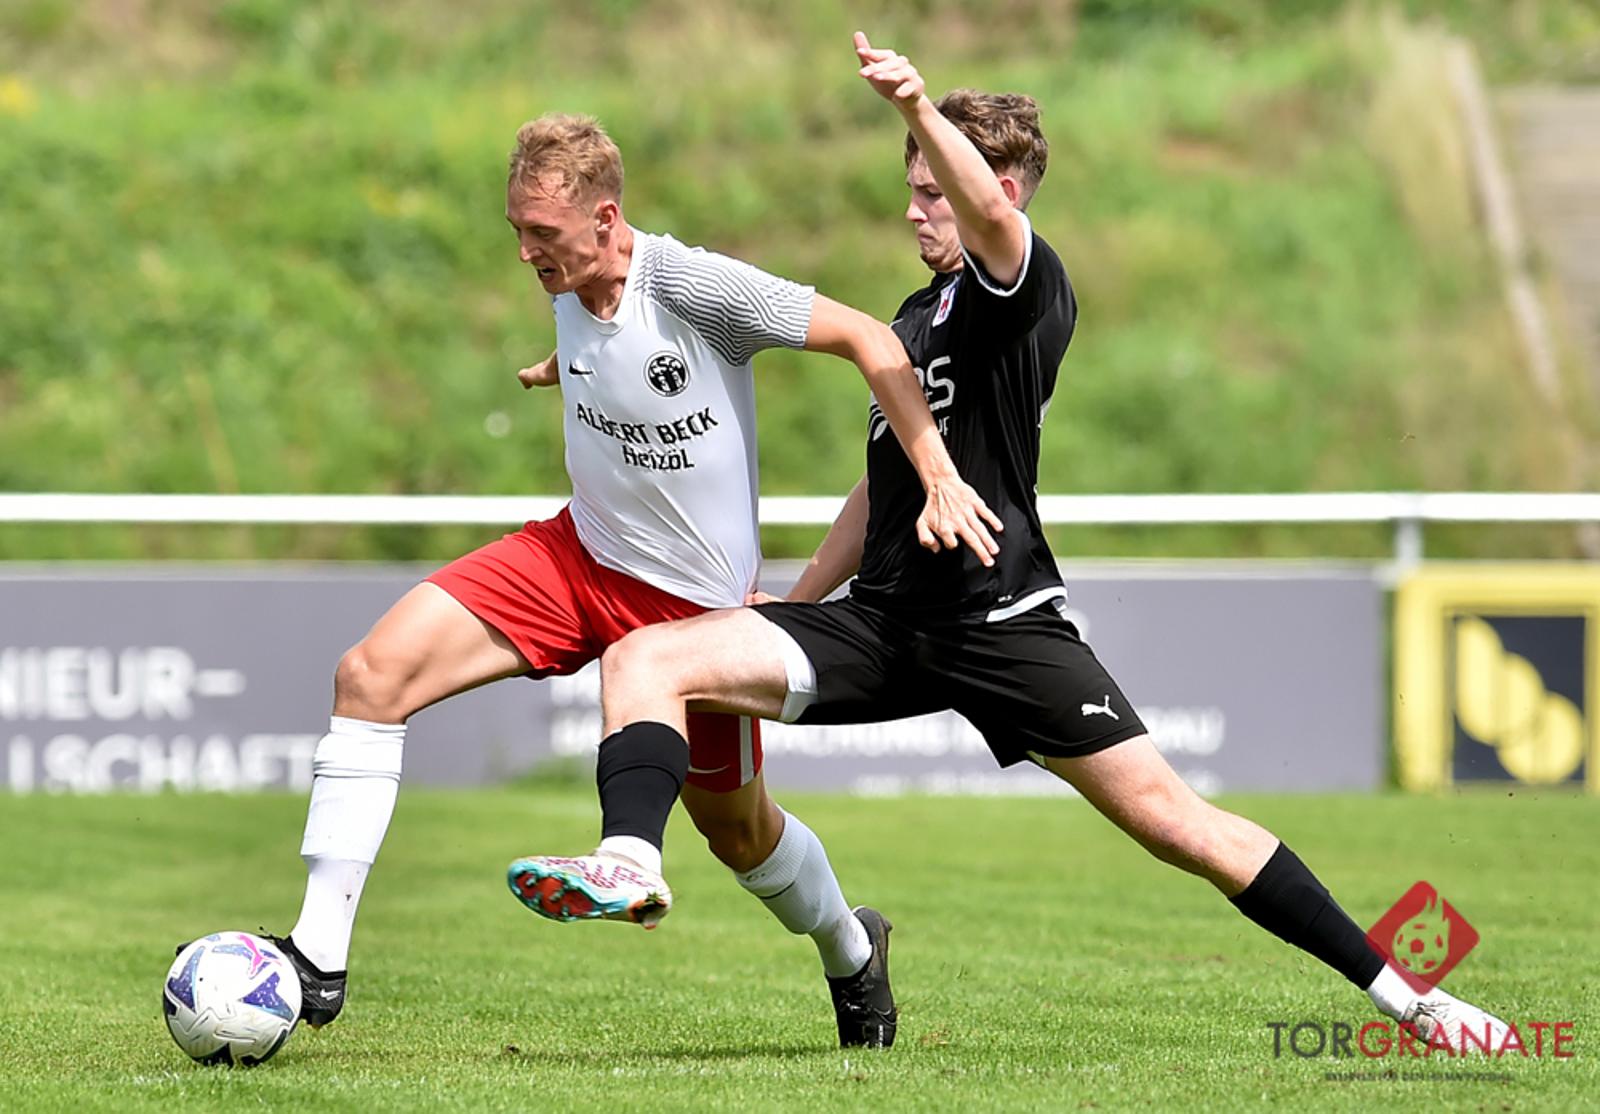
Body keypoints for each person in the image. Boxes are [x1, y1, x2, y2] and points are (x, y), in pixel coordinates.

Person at [519, 33, 1512, 1052]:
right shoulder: (916, 317)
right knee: (645, 658)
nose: (914, 209)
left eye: (931, 191)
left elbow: (993, 221)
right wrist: (800, 598)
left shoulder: (1018, 287)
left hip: (1001, 623)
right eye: (910, 189)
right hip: (883, 627)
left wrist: (916, 106)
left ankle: (1418, 1002)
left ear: (994, 188)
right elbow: (880, 482)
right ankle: (630, 863)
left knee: (1180, 826)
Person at [257, 111, 1001, 1048]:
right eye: (517, 229)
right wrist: (565, 371)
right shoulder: (569, 280)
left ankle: (852, 949)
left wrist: (937, 474)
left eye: (543, 233)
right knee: (370, 675)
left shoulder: (693, 285)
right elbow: (622, 358)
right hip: (576, 558)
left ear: (607, 219)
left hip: (692, 616)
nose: (525, 252)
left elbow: (869, 339)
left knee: (741, 836)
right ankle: (317, 959)